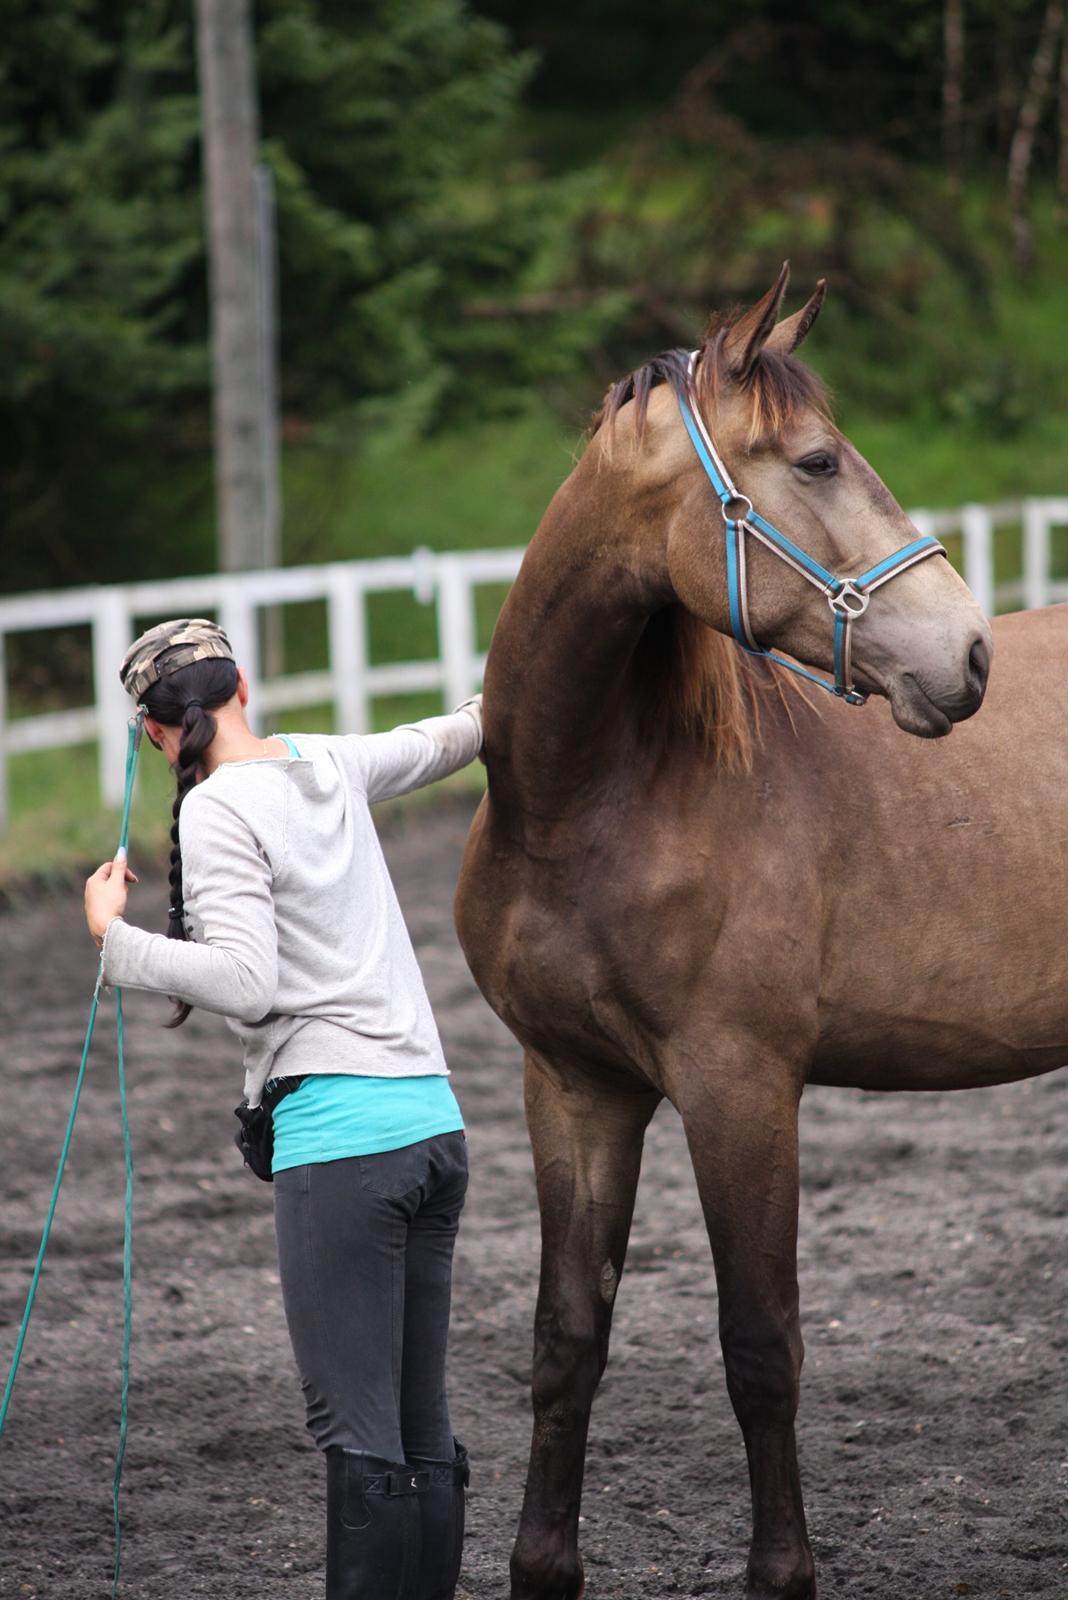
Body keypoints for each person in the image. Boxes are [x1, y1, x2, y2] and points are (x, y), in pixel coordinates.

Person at [83, 617, 482, 1600]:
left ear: (152, 733)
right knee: (420, 1425)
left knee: (359, 1432)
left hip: (344, 1148)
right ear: (243, 687)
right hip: (433, 1123)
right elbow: (449, 738)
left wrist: (113, 941)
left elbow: (247, 982)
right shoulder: (325, 762)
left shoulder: (218, 808)